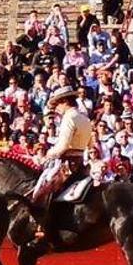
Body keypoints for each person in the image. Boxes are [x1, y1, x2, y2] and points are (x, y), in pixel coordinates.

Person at [30, 86, 93, 247]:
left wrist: (47, 156)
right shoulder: (84, 118)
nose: (56, 109)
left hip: (67, 165)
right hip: (81, 164)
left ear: (65, 102)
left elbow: (63, 146)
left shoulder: (69, 118)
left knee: (41, 194)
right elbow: (90, 143)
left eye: (57, 104)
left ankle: (42, 231)